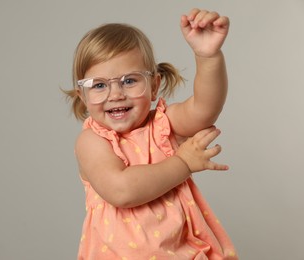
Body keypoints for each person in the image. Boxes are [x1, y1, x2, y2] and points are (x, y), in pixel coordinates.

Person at [64, 8, 237, 259]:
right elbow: (121, 191)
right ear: (83, 96)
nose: (115, 94)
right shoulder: (92, 141)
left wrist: (208, 57)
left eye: (129, 81)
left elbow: (204, 109)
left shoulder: (163, 125)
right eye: (99, 85)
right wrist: (183, 162)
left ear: (154, 86)